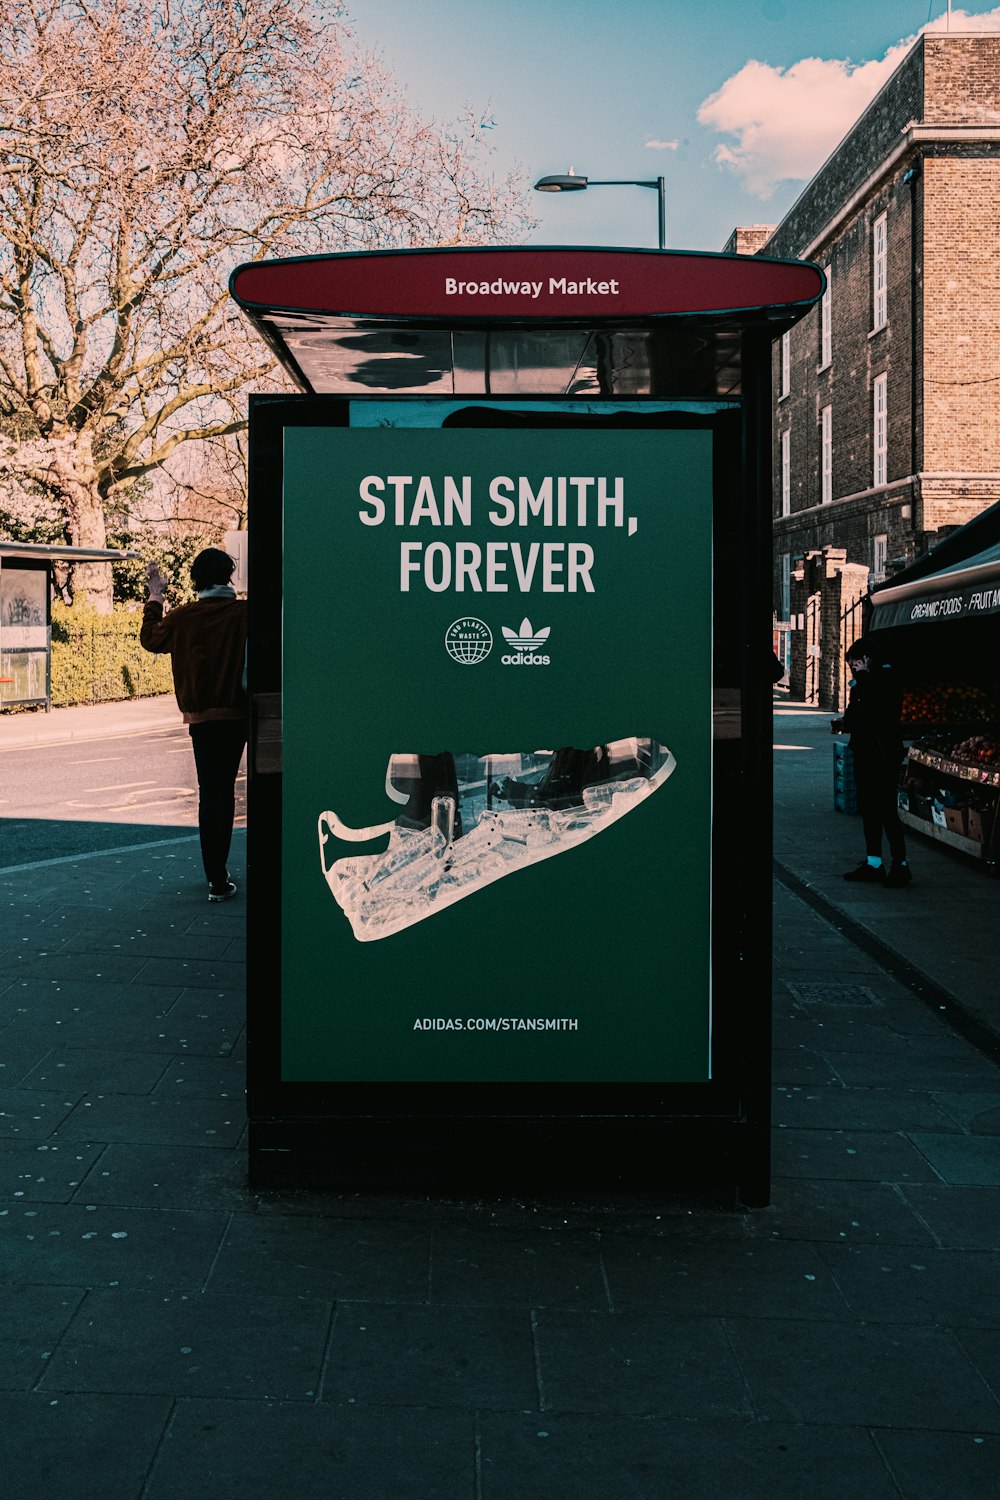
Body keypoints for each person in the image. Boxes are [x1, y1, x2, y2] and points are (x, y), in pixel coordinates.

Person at [141, 549, 248, 902]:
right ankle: (224, 875)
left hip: (201, 719)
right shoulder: (244, 614)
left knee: (210, 793)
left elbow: (150, 639)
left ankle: (215, 877)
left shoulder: (183, 618)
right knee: (227, 791)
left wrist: (155, 597)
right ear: (229, 576)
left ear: (196, 579)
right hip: (239, 716)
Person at [831, 637, 912, 887]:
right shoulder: (862, 684)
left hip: (883, 754)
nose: (853, 667)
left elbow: (880, 712)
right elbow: (857, 714)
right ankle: (874, 861)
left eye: (855, 662)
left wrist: (862, 681)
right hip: (865, 751)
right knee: (870, 808)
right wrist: (846, 723)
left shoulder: (886, 680)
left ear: (867, 659)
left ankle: (900, 864)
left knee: (886, 808)